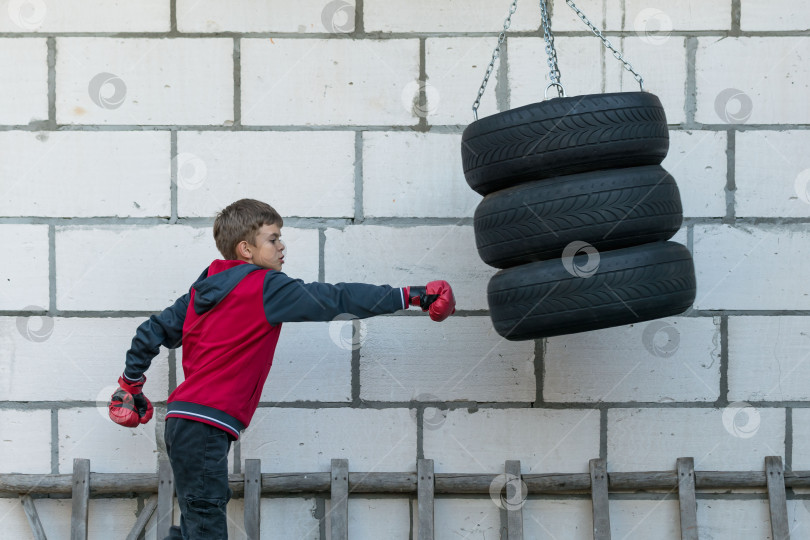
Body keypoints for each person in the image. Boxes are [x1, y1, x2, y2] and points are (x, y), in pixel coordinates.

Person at [107, 198, 456, 539]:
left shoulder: (200, 293)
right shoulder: (264, 286)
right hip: (204, 425)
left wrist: (130, 385)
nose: (281, 246)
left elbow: (150, 332)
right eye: (273, 239)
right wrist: (410, 295)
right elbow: (335, 298)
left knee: (197, 520)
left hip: (183, 422)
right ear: (246, 249)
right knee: (205, 522)